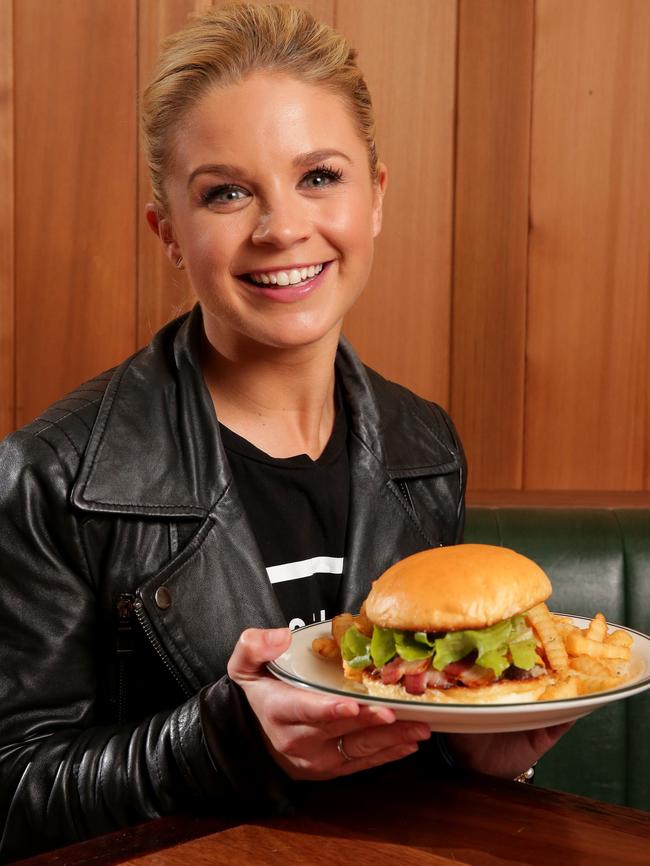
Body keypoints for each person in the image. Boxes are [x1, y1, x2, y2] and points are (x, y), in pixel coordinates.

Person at [0, 4, 570, 861]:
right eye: (226, 192)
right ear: (169, 235)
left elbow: (409, 732)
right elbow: (11, 793)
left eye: (319, 177)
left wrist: (478, 750)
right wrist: (219, 741)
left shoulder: (426, 446)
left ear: (375, 197)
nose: (281, 229)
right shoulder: (50, 474)